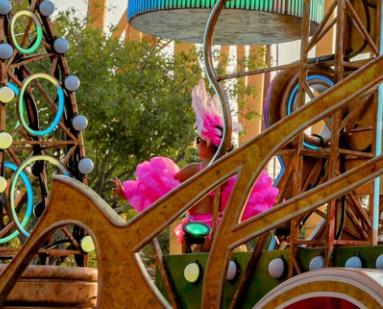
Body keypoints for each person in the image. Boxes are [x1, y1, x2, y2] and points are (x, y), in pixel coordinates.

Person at [112, 82, 278, 251]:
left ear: (208, 142)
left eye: (198, 140)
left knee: (191, 264)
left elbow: (162, 193)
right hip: (221, 229)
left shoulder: (194, 170)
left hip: (196, 229)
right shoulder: (231, 171)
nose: (197, 144)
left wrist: (128, 193)